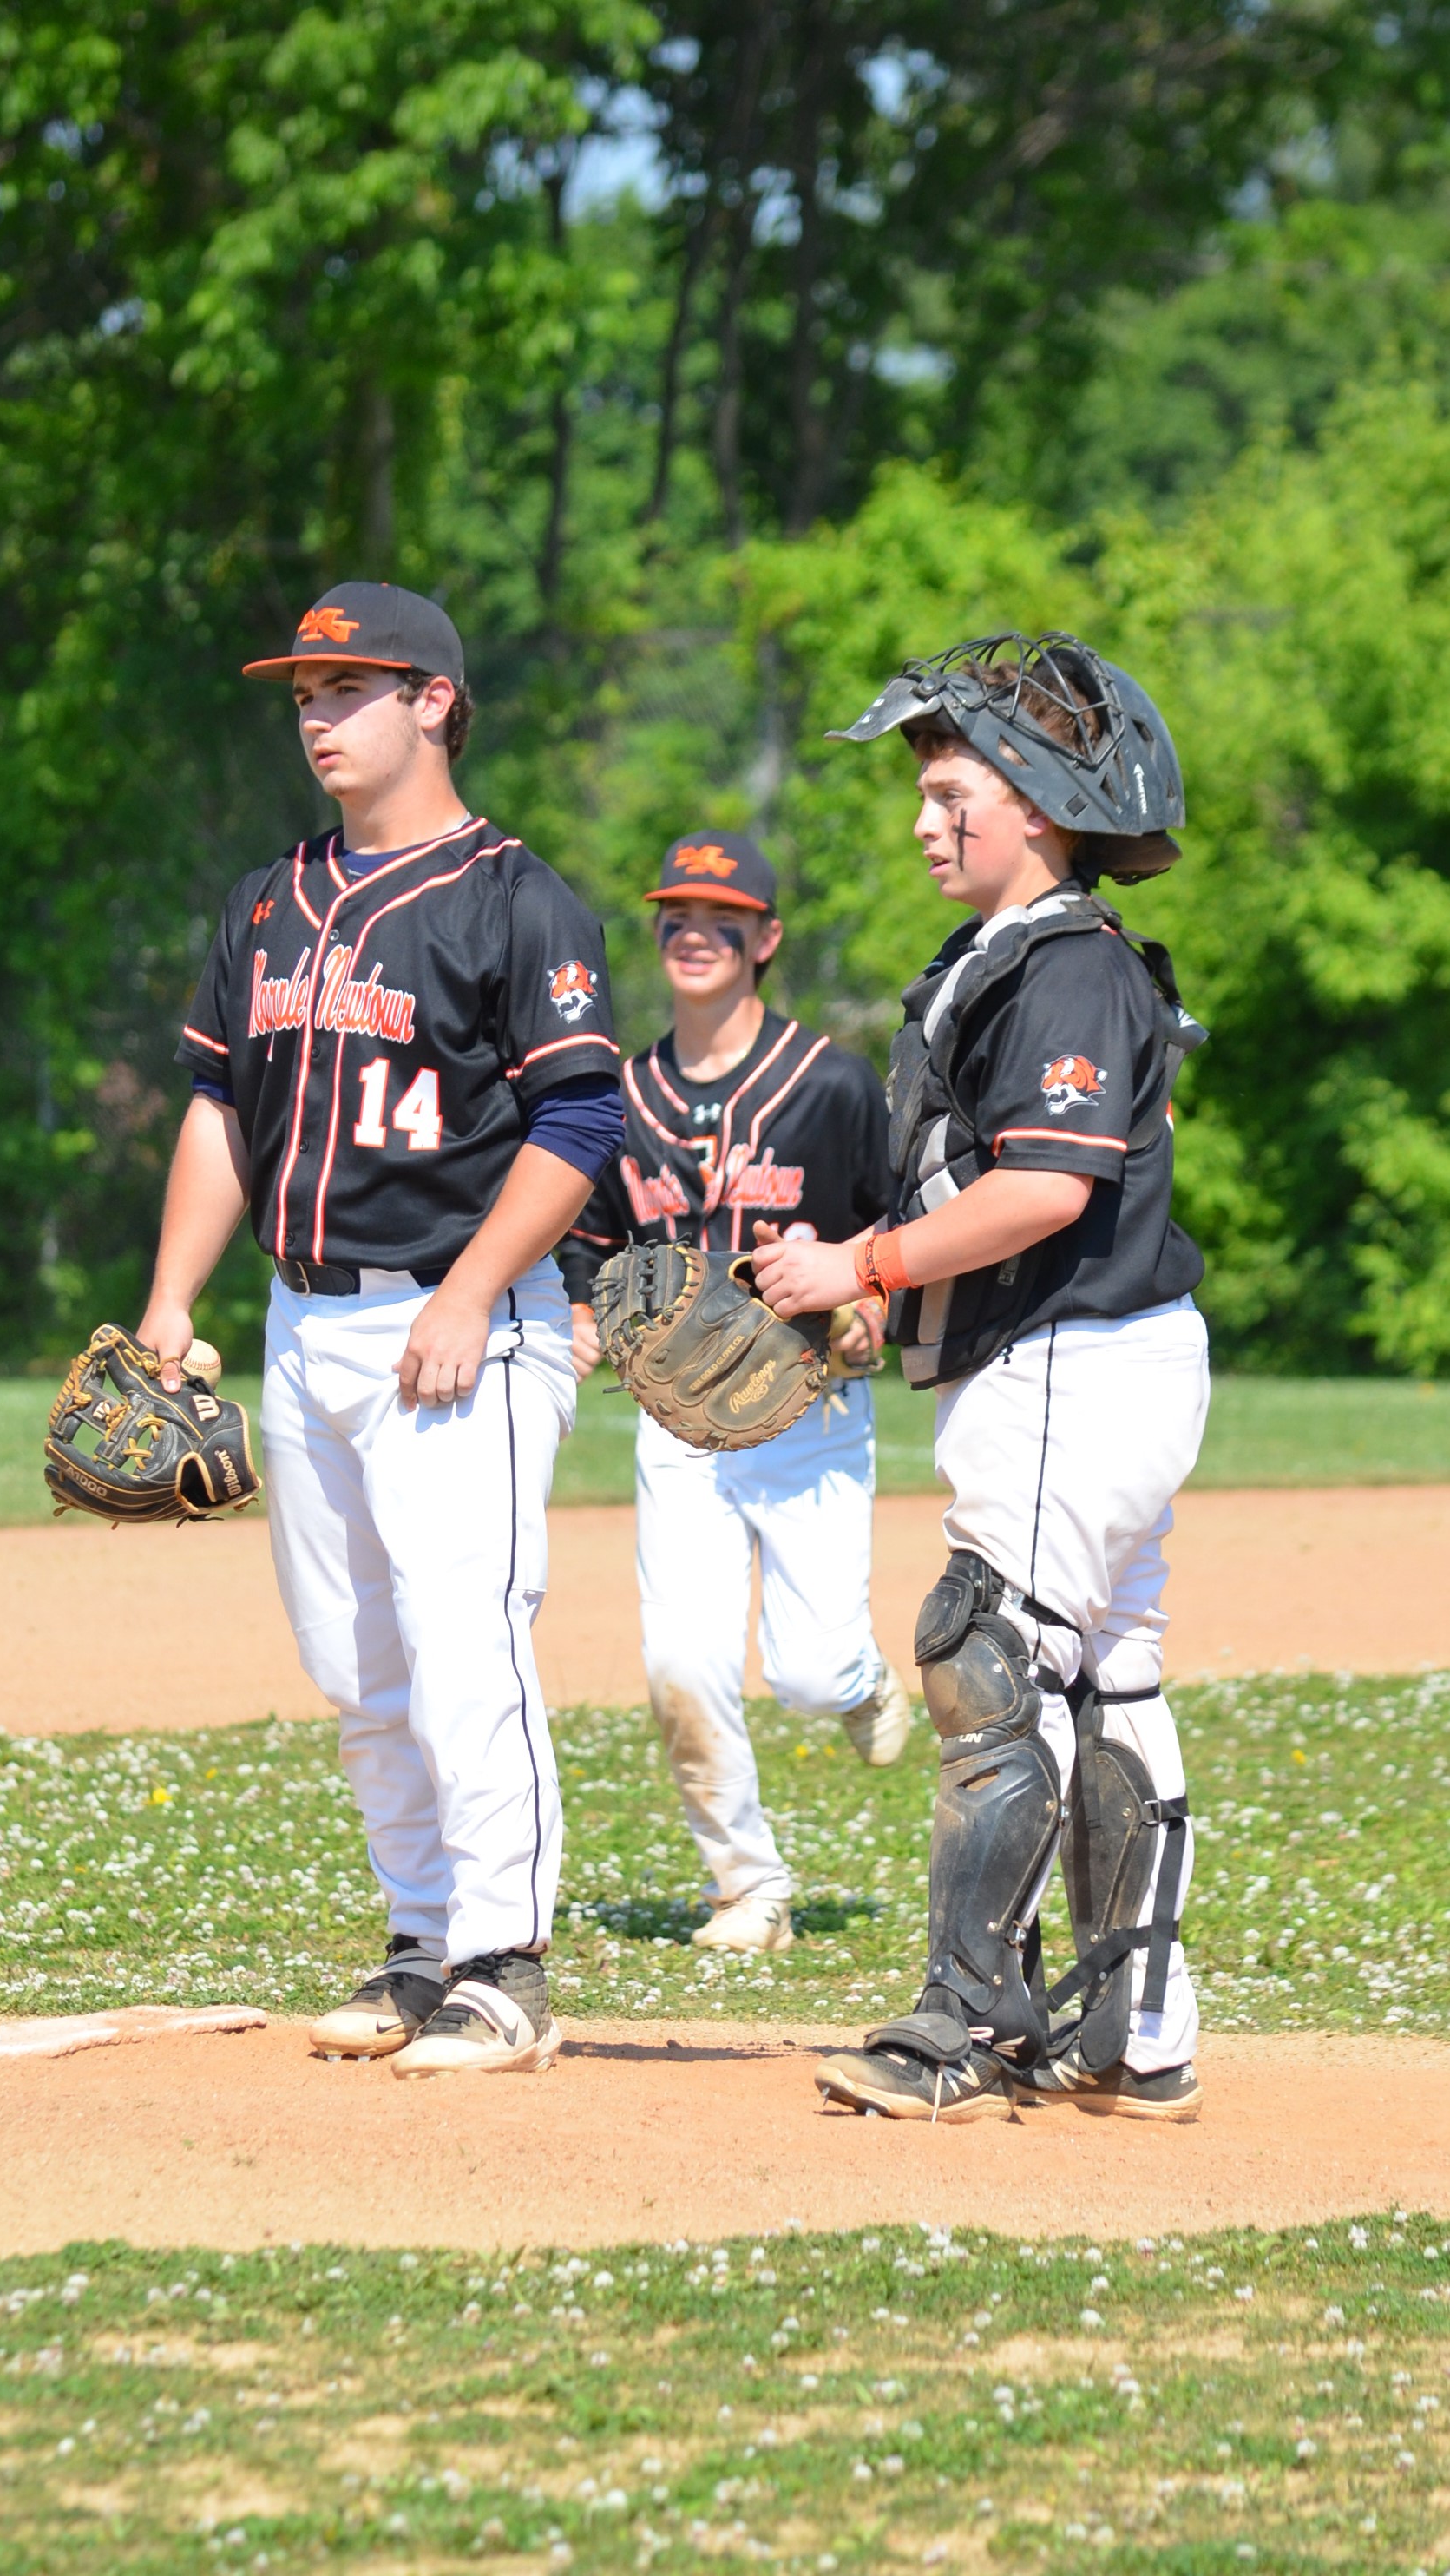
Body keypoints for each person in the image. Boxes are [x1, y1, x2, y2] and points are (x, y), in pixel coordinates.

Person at [140, 581, 623, 2079]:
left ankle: (506, 1963)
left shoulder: (513, 897)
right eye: (302, 694)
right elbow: (224, 1105)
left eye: (347, 688)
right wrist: (170, 1301)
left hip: (457, 1320)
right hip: (304, 1321)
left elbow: (583, 1113)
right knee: (359, 1664)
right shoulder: (271, 897)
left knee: (463, 1637)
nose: (317, 717)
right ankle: (422, 1944)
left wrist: (475, 1290)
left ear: (434, 702)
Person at [750, 633, 1210, 2121]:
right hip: (1086, 1357)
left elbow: (1045, 1192)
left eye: (953, 789)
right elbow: (987, 1180)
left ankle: (966, 2017)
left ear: (1035, 798)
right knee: (1106, 1674)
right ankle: (1137, 2031)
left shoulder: (1063, 964)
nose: (922, 819)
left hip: (1077, 1360)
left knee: (988, 1658)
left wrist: (866, 1265)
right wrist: (896, 1292)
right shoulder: (1007, 959)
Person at [559, 829, 914, 1957]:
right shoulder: (623, 1097)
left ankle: (859, 1683)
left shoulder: (830, 1085)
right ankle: (744, 1886)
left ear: (764, 938)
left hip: (806, 1411)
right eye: (675, 914)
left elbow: (895, 1228)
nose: (693, 933)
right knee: (678, 1665)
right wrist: (581, 1321)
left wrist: (872, 1307)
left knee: (806, 1670)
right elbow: (589, 1246)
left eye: (720, 917)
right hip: (680, 1431)